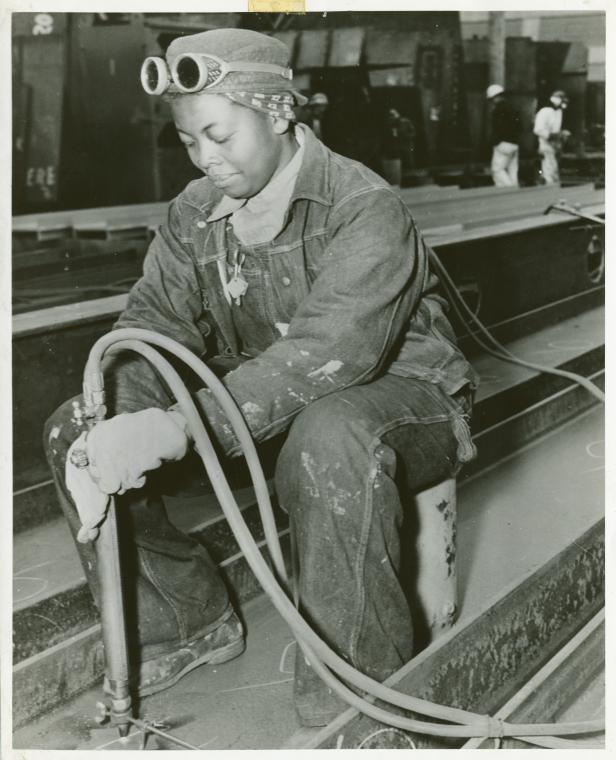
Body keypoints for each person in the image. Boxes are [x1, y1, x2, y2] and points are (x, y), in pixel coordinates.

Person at [44, 28, 478, 728]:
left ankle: (360, 704)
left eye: (219, 135)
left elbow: (329, 355)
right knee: (79, 423)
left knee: (328, 433)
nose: (206, 159)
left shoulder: (364, 207)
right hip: (261, 403)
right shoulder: (194, 213)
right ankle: (187, 618)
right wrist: (121, 420)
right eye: (189, 142)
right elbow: (151, 326)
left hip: (403, 402)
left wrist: (180, 428)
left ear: (278, 114)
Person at [485, 84, 522, 188]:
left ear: (494, 97)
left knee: (497, 170)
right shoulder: (514, 108)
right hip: (515, 144)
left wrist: (495, 142)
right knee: (512, 171)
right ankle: (514, 191)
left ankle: (510, 190)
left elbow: (498, 128)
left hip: (503, 144)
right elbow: (520, 127)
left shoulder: (498, 110)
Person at [533, 89, 571, 185]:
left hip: (555, 146)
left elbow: (555, 129)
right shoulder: (545, 111)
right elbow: (538, 129)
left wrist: (561, 135)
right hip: (545, 145)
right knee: (548, 170)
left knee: (553, 170)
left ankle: (553, 188)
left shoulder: (558, 112)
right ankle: (549, 189)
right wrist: (553, 136)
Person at [380, 108, 416, 187]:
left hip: (406, 146)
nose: (392, 117)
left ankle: (412, 182)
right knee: (398, 166)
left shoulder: (406, 122)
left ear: (398, 114)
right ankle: (402, 183)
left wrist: (404, 136)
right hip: (396, 147)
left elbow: (413, 133)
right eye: (390, 115)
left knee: (409, 163)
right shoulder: (389, 124)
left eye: (393, 115)